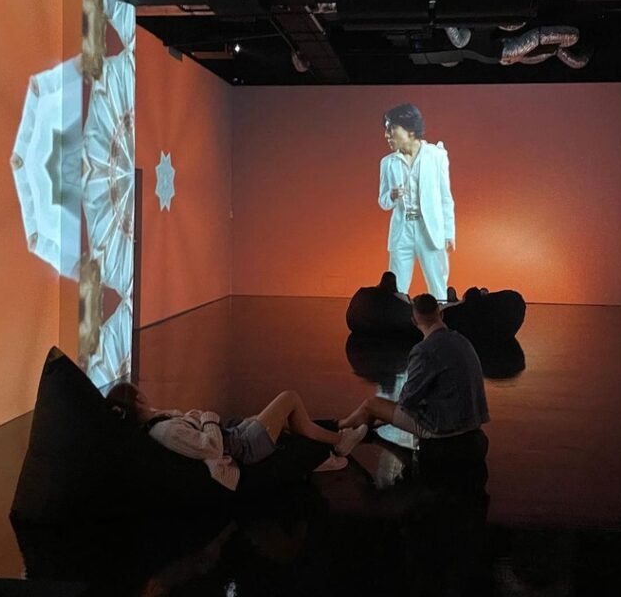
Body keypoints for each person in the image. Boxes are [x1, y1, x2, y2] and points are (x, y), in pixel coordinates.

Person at [106, 384, 369, 487]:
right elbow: (211, 448)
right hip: (243, 446)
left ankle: (333, 444)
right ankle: (340, 442)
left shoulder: (157, 423)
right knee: (288, 398)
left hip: (235, 436)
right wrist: (208, 418)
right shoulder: (166, 430)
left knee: (286, 419)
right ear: (138, 398)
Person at [339, 294, 489, 440]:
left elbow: (407, 401)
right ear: (441, 315)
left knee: (371, 405)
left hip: (443, 429)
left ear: (414, 321)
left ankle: (338, 426)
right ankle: (352, 428)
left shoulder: (424, 351)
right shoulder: (462, 341)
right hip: (473, 422)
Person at [378, 103, 455, 301]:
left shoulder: (436, 156)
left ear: (410, 130)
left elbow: (445, 197)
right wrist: (392, 196)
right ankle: (397, 317)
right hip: (402, 230)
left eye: (391, 129)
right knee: (397, 287)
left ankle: (440, 317)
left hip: (429, 230)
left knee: (438, 285)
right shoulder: (388, 163)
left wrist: (448, 232)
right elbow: (383, 202)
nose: (386, 135)